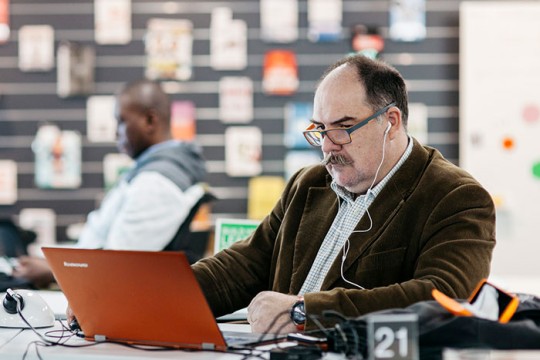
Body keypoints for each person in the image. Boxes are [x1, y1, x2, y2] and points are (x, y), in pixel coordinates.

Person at [190, 54, 496, 334]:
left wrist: (304, 312)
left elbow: (446, 297)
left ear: (390, 122)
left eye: (343, 127)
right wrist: (167, 293)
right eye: (321, 129)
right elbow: (244, 265)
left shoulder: (455, 197)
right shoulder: (309, 184)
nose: (327, 145)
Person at [14, 79, 207, 288]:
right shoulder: (150, 172)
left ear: (150, 120)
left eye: (122, 121)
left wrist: (53, 272)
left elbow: (117, 265)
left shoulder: (157, 183)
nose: (116, 133)